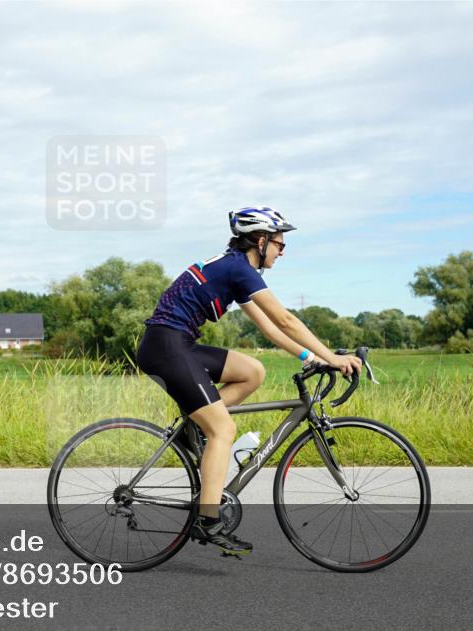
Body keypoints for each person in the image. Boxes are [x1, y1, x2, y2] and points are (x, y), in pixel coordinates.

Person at [135, 206, 362, 556]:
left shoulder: (236, 268)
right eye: (279, 244)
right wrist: (332, 357)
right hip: (165, 346)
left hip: (175, 343)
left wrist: (310, 357)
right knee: (223, 431)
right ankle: (207, 520)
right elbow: (286, 320)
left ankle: (198, 422)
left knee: (252, 371)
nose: (282, 251)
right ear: (260, 240)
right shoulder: (239, 268)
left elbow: (270, 328)